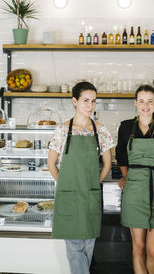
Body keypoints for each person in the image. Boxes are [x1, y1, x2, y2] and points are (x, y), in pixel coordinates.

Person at [48, 81, 115, 274]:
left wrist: (95, 183)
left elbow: (108, 163)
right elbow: (51, 164)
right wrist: (65, 186)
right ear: (74, 101)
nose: (90, 105)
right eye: (86, 100)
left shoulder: (100, 129)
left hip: (90, 196)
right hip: (69, 197)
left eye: (93, 101)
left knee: (88, 247)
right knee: (74, 250)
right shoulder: (62, 129)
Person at [116, 84, 154, 274]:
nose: (145, 106)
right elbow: (121, 156)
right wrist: (127, 177)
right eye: (141, 101)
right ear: (135, 103)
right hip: (134, 192)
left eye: (150, 101)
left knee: (153, 250)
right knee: (139, 248)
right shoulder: (126, 127)